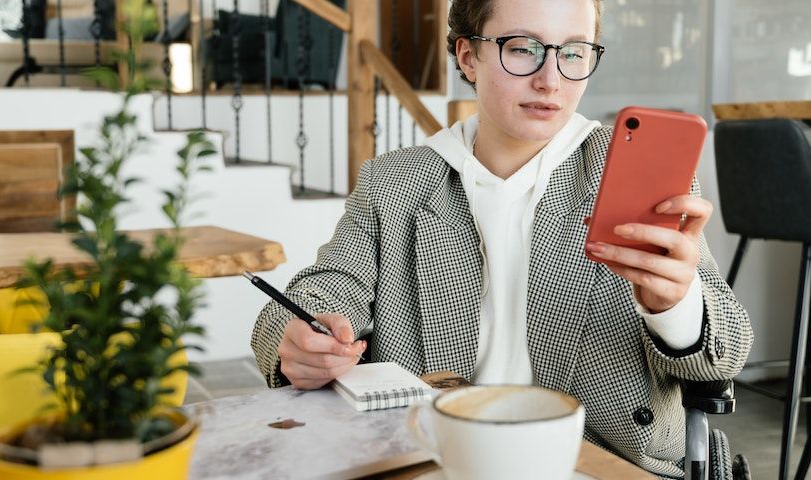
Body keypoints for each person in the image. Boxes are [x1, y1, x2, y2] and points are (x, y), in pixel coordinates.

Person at [251, 0, 753, 476]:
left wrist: (676, 307)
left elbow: (727, 352)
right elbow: (324, 290)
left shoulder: (633, 173)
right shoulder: (394, 182)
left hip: (600, 463)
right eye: (522, 48)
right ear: (468, 57)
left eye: (574, 52)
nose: (550, 79)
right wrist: (299, 338)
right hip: (439, 457)